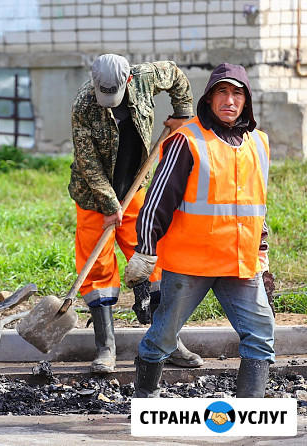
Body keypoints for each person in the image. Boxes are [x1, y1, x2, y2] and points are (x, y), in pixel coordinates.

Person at [125, 63, 275, 398]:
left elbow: (257, 210)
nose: (229, 100)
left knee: (261, 336)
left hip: (240, 264)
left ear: (246, 101)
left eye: (237, 93)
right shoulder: (187, 140)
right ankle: (145, 401)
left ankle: (248, 417)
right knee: (162, 337)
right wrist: (145, 250)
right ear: (208, 99)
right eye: (222, 91)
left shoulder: (259, 144)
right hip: (191, 265)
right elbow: (157, 201)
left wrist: (262, 259)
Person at [69, 54, 203, 374]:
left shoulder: (144, 78)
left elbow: (175, 76)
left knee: (153, 261)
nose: (106, 102)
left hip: (136, 189)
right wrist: (110, 204)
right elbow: (88, 164)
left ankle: (166, 342)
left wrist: (182, 113)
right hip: (93, 199)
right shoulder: (84, 105)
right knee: (98, 272)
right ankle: (106, 348)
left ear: (128, 80)